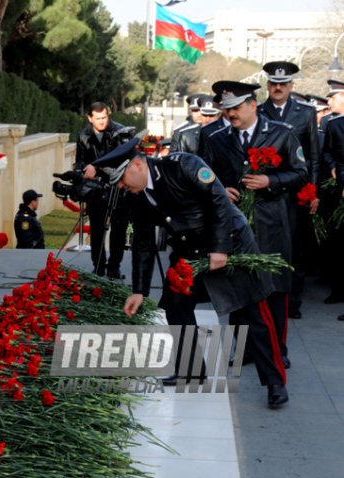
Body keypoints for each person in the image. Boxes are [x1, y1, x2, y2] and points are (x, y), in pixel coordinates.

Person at [98, 138, 288, 407]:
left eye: (121, 178)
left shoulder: (184, 165)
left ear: (138, 165)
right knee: (175, 304)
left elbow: (219, 201)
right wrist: (139, 291)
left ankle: (275, 382)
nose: (120, 186)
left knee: (252, 312)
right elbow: (143, 242)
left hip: (230, 242)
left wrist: (220, 247)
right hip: (189, 250)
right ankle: (191, 370)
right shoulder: (135, 197)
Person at [203, 81, 308, 370]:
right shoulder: (216, 139)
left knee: (275, 288)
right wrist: (221, 189)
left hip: (272, 222)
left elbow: (301, 173)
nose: (230, 114)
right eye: (226, 109)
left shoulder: (281, 134)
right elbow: (205, 176)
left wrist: (271, 181)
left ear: (252, 105)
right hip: (236, 227)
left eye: (235, 108)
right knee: (240, 287)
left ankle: (279, 349)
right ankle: (246, 348)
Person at [257, 62, 321, 319]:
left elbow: (313, 157)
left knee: (295, 247)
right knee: (267, 246)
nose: (278, 87)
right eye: (274, 83)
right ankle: (266, 295)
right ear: (268, 85)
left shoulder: (305, 113)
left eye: (283, 84)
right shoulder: (258, 111)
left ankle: (291, 302)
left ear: (292, 86)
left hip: (296, 192)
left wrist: (313, 191)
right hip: (266, 190)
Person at [74, 101, 135, 278]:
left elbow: (123, 160)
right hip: (95, 189)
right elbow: (80, 160)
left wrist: (96, 167)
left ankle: (114, 267)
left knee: (118, 228)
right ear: (90, 118)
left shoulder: (120, 133)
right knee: (96, 229)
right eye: (98, 118)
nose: (102, 121)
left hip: (119, 188)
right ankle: (98, 266)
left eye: (105, 117)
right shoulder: (83, 136)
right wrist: (84, 170)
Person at [321, 80, 344, 308]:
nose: (329, 102)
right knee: (338, 244)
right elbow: (326, 151)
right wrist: (332, 166)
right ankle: (338, 290)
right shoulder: (333, 125)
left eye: (333, 97)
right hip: (339, 193)